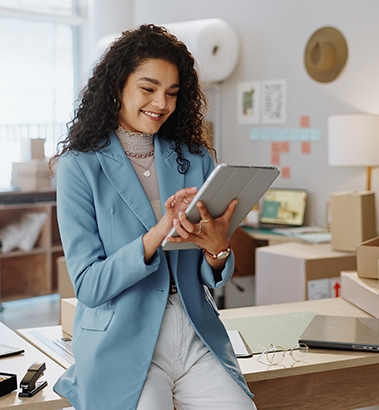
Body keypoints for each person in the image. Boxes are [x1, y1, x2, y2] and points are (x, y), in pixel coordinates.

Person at [50, 23, 256, 410]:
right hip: (123, 341)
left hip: (195, 333)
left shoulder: (196, 158)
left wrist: (218, 251)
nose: (161, 104)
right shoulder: (78, 166)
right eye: (148, 89)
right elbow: (89, 286)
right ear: (117, 86)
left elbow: (211, 272)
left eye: (172, 93)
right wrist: (158, 233)